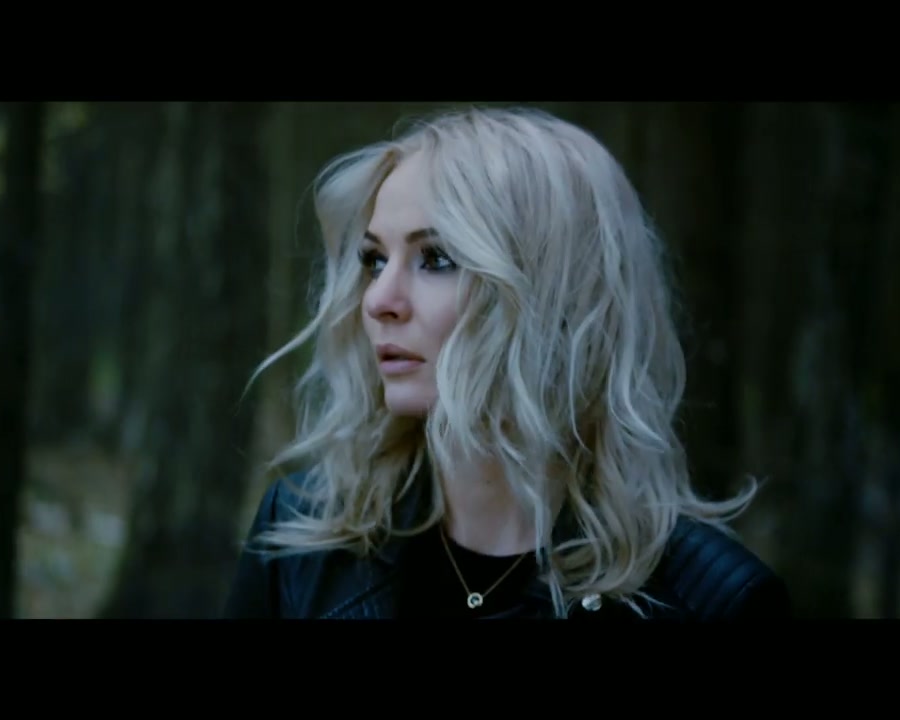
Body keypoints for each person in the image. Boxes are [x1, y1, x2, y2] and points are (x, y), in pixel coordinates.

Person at [222, 106, 791, 619]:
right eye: (374, 259)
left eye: (436, 258)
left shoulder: (713, 601)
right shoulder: (302, 542)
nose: (378, 300)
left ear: (554, 296)